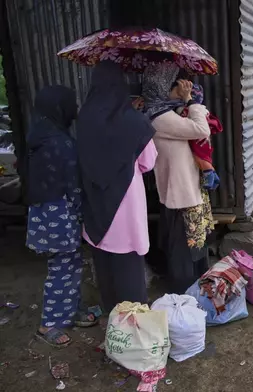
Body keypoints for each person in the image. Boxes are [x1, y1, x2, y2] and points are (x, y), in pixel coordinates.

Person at [77, 61, 157, 313]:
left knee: (105, 267)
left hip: (95, 203)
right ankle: (133, 330)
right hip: (124, 205)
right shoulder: (133, 122)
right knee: (129, 272)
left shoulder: (84, 117)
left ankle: (112, 320)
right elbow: (148, 162)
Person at [26, 86, 97, 347]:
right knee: (61, 267)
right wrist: (82, 214)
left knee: (71, 263)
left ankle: (70, 311)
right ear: (59, 107)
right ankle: (48, 325)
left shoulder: (41, 135)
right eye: (71, 104)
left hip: (46, 212)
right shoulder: (59, 143)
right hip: (60, 213)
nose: (74, 110)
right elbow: (73, 184)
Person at [141, 62, 212, 293]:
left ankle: (196, 289)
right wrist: (191, 100)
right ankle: (185, 294)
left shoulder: (168, 111)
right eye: (179, 85)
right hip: (179, 194)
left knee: (194, 245)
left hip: (186, 191)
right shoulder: (160, 117)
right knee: (185, 249)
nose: (183, 89)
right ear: (163, 87)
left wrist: (185, 101)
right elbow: (201, 129)